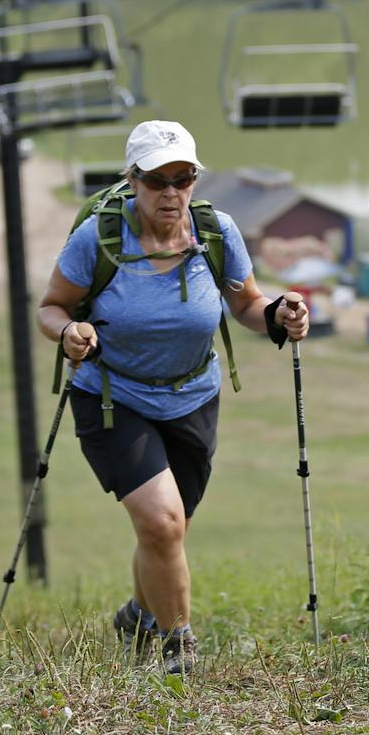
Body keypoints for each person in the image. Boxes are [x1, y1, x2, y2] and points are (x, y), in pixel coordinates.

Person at [38, 120, 309, 674]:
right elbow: (52, 306)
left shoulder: (216, 232)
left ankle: (138, 615)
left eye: (183, 178)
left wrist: (280, 313)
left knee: (170, 527)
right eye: (157, 180)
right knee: (161, 523)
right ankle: (178, 648)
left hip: (193, 397)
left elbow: (247, 305)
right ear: (132, 180)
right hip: (113, 396)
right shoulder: (100, 237)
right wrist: (68, 333)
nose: (171, 192)